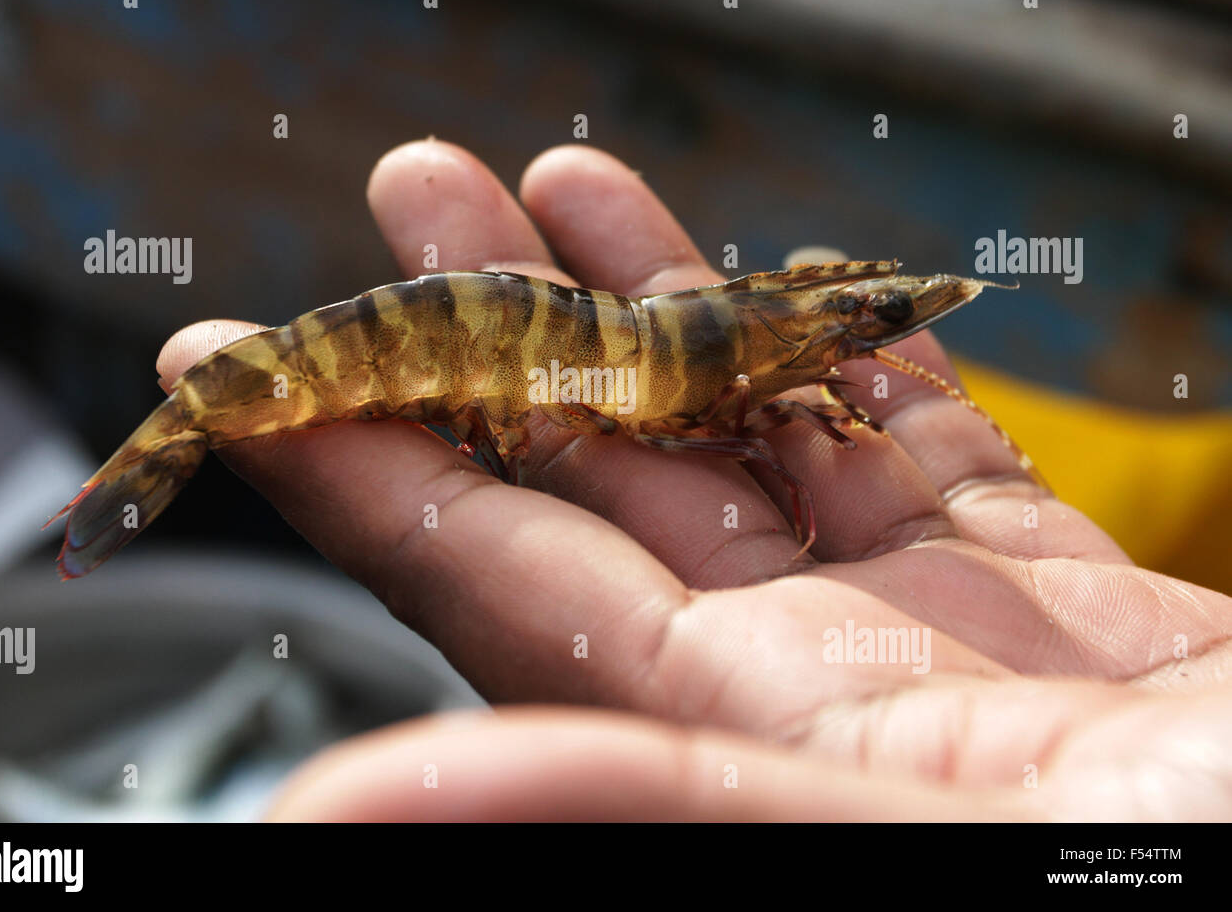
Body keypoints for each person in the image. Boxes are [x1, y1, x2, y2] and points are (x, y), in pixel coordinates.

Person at [155, 140, 1232, 821]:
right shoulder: (702, 379)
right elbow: (706, 417)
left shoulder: (755, 351)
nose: (864, 336)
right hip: (422, 350)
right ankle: (196, 422)